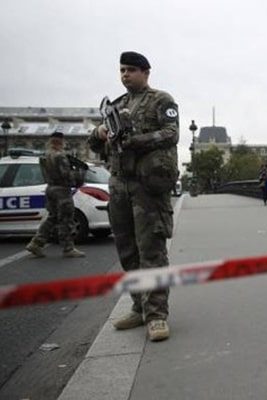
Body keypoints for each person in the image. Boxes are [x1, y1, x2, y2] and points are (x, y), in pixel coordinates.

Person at [88, 51, 179, 342]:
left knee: (151, 251)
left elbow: (171, 133)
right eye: (122, 70)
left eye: (130, 70)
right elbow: (94, 143)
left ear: (145, 72)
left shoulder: (161, 100)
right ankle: (139, 307)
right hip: (119, 186)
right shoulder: (117, 106)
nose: (125, 75)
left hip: (147, 188)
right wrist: (101, 132)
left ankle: (157, 316)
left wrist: (134, 140)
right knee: (127, 251)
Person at [25, 132, 86, 258]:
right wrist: (78, 174)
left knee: (52, 218)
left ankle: (36, 243)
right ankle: (68, 248)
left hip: (50, 188)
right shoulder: (60, 156)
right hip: (62, 190)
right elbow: (66, 175)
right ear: (60, 141)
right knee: (66, 219)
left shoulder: (45, 155)